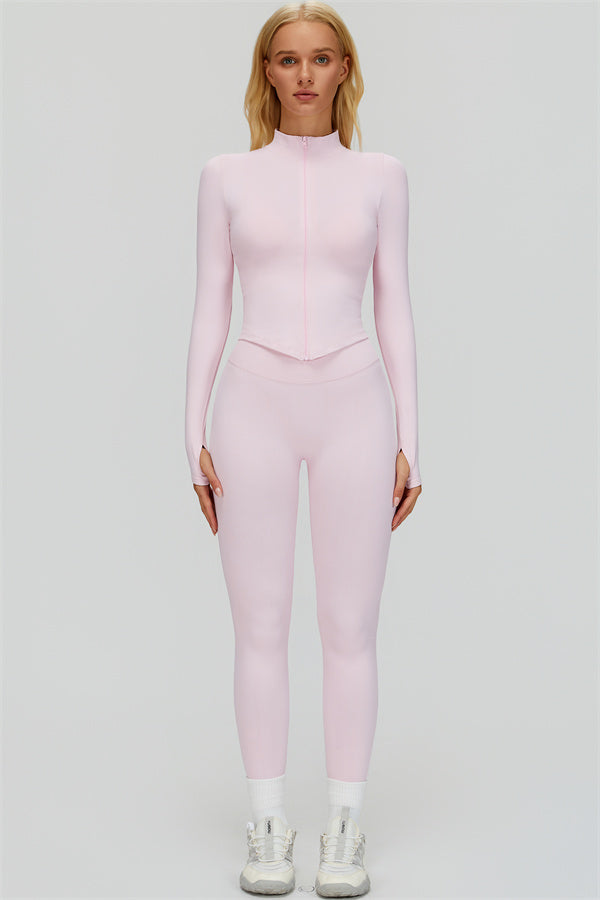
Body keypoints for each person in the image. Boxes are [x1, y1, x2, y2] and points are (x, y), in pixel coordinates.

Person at [184, 2, 423, 895]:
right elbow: (210, 303)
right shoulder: (226, 177)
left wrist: (411, 437)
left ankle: (346, 827)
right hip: (252, 403)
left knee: (350, 626)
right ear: (267, 72)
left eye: (322, 58)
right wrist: (191, 434)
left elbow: (395, 303)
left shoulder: (382, 177)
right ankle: (269, 824)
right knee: (260, 622)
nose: (305, 74)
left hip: (355, 403)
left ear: (344, 69)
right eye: (287, 59)